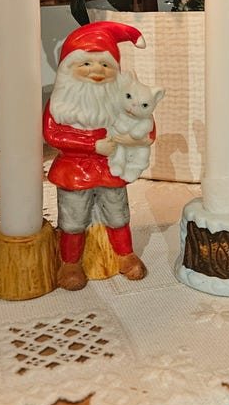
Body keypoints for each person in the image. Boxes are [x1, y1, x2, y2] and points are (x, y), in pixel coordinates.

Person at [43, 21, 154, 291]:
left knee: (118, 214)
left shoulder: (121, 98)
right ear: (69, 68)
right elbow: (53, 135)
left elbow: (145, 125)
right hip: (73, 170)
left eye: (105, 65)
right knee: (72, 220)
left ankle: (125, 254)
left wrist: (137, 139)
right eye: (86, 64)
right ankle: (70, 262)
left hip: (111, 167)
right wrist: (92, 146)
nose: (96, 71)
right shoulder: (60, 103)